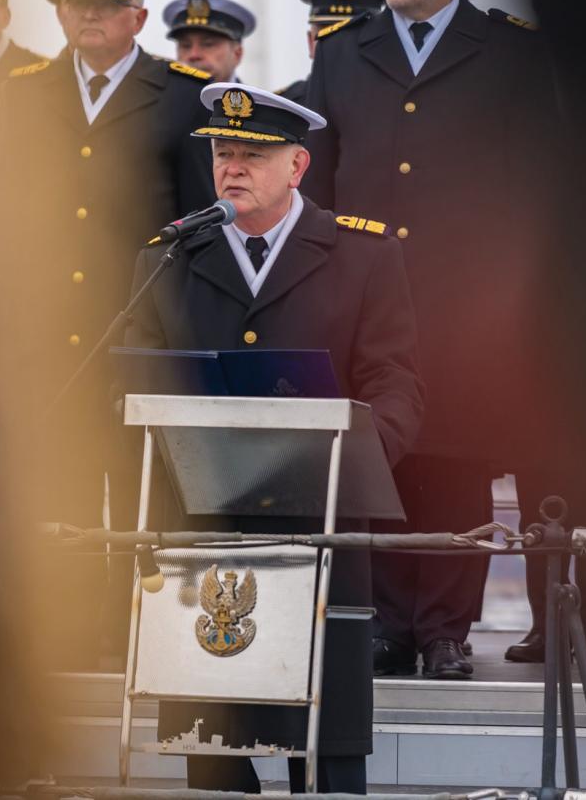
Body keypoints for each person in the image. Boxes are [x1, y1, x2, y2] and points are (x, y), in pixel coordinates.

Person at [126, 83, 423, 794]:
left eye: (253, 155)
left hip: (319, 530)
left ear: (297, 165)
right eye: (222, 153)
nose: (232, 168)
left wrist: (354, 454)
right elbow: (134, 379)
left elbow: (396, 385)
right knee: (214, 748)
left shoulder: (362, 255)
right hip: (204, 532)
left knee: (325, 757)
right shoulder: (170, 258)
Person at [303, 0, 571, 680]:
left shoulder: (511, 54)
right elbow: (316, 178)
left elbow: (540, 185)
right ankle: (386, 625)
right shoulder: (344, 54)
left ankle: (446, 630)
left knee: (456, 463)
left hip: (467, 308)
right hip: (370, 304)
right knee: (380, 460)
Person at [0, 0, 216, 669]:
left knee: (135, 490)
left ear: (138, 17)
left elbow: (198, 223)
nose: (89, 15)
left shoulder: (181, 96)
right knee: (57, 485)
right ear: (60, 12)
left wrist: (178, 329)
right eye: (76, 3)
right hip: (46, 331)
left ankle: (131, 632)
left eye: (105, 4)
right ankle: (61, 635)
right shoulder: (24, 92)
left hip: (138, 326)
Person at [278, 0, 385, 105]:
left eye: (355, 34)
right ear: (311, 42)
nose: (340, 44)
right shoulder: (283, 107)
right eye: (327, 34)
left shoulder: (398, 103)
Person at [161, 0, 255, 83]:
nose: (194, 55)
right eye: (185, 45)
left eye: (208, 44)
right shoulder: (160, 94)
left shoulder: (255, 96)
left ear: (237, 54)